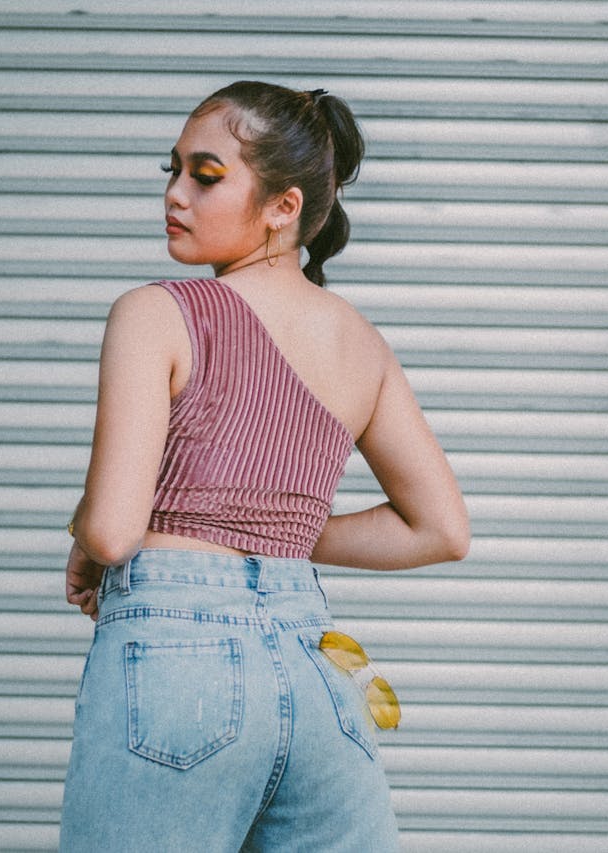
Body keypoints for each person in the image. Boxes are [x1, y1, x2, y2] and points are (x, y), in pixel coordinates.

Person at [60, 81, 469, 852]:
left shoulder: (156, 313)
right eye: (172, 170)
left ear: (284, 206)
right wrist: (274, 537)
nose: (176, 194)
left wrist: (86, 531)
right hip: (317, 674)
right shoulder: (361, 344)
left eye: (206, 176)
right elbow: (440, 529)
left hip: (177, 663)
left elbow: (113, 532)